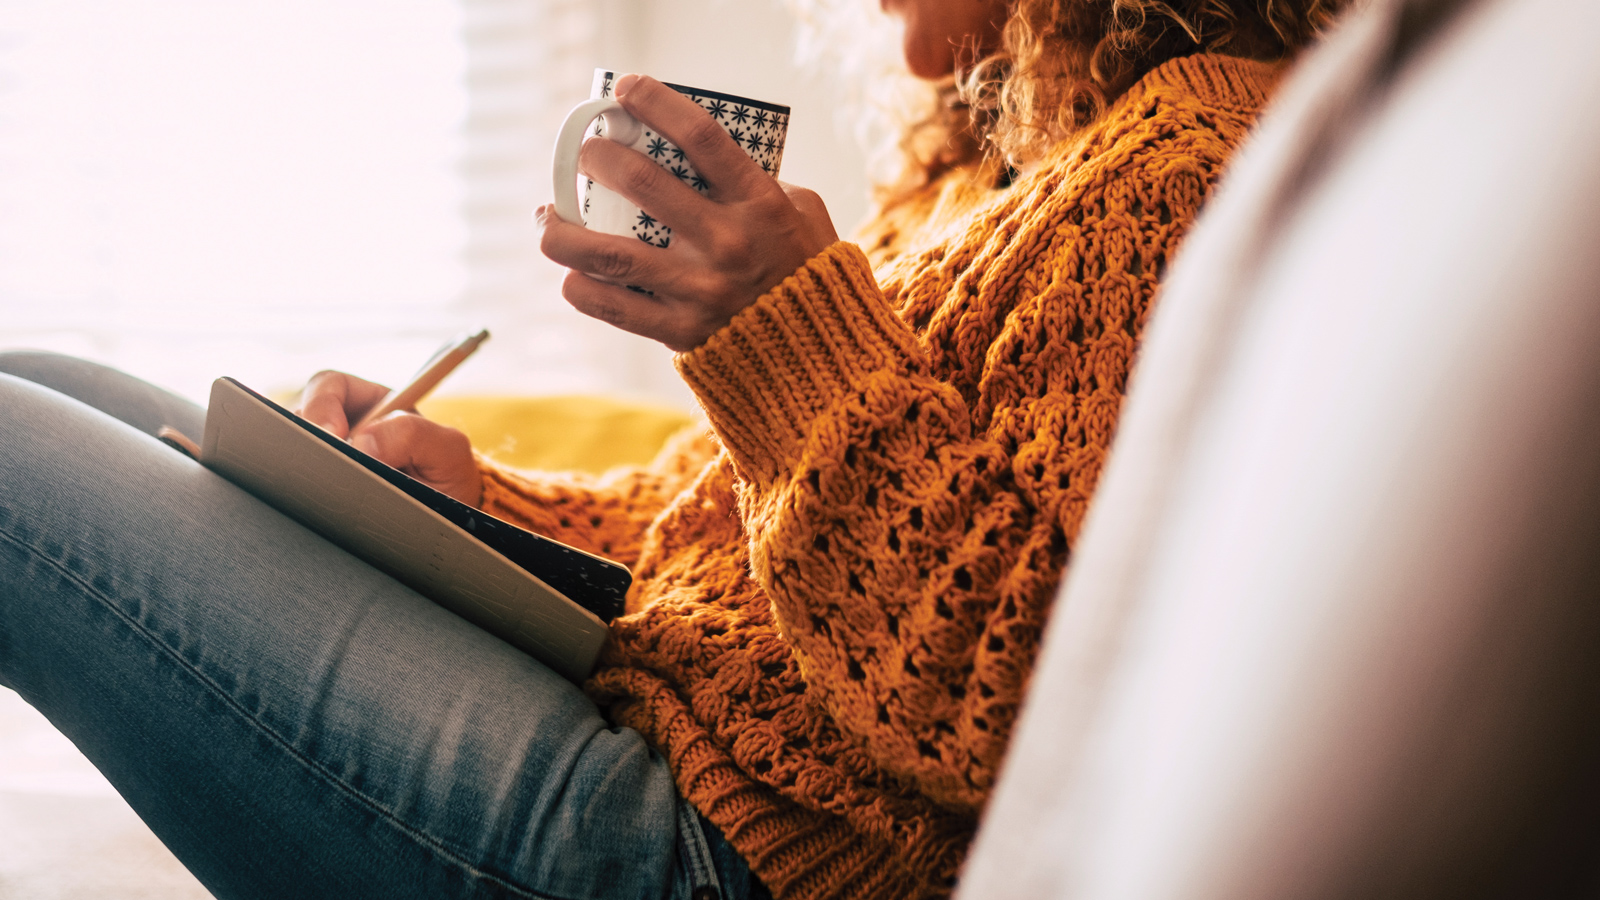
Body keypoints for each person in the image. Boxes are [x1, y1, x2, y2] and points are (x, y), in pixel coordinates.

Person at [0, 1, 1344, 899]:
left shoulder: (1184, 174)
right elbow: (738, 542)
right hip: (672, 730)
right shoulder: (1016, 162)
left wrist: (788, 342)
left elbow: (1033, 718)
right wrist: (477, 508)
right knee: (45, 383)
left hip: (719, 852)